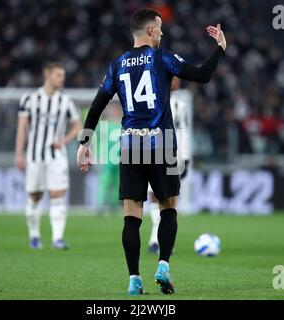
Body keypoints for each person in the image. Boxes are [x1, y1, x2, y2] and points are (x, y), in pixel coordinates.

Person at [77, 8, 226, 295]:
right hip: (162, 144)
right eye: (159, 28)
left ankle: (134, 279)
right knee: (168, 206)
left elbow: (97, 105)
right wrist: (220, 48)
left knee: (132, 215)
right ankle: (163, 266)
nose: (162, 32)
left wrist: (85, 143)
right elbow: (203, 75)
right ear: (149, 31)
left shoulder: (118, 64)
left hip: (130, 145)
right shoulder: (162, 57)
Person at [15, 62, 82, 250]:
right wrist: (19, 154)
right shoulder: (29, 98)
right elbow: (22, 128)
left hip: (56, 156)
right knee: (35, 196)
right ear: (48, 76)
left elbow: (78, 125)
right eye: (59, 75)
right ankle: (34, 236)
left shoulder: (66, 101)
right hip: (34, 155)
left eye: (63, 75)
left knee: (57, 195)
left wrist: (64, 140)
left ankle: (57, 238)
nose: (62, 78)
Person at [147, 76, 190, 254]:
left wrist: (185, 158)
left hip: (174, 155)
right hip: (153, 153)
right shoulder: (151, 100)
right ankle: (157, 239)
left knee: (170, 200)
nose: (178, 81)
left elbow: (184, 132)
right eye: (174, 78)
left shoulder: (181, 106)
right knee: (154, 196)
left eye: (179, 78)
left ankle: (158, 241)